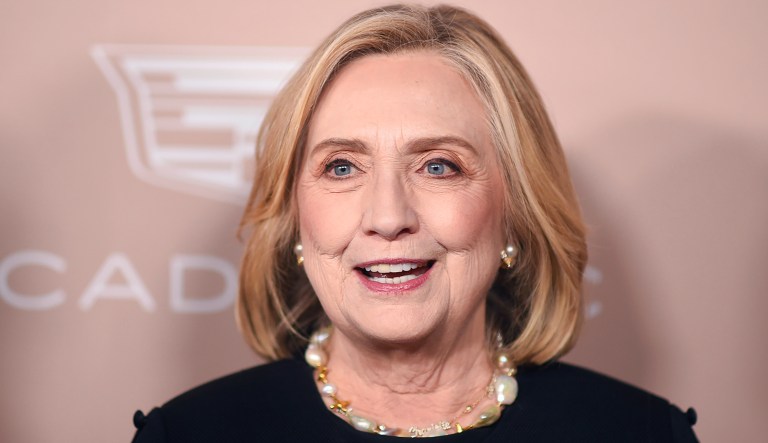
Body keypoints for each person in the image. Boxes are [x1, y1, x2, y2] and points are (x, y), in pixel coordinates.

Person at [131, 4, 698, 442]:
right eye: (342, 166)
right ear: (295, 217)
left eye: (438, 166)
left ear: (515, 213)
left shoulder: (639, 433)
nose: (387, 217)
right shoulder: (189, 434)